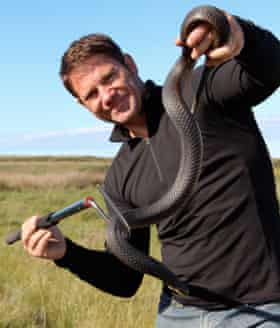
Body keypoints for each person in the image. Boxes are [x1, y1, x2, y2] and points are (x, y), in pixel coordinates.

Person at [21, 7, 280, 327]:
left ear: (130, 64)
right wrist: (67, 254)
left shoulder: (200, 92)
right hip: (178, 313)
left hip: (261, 307)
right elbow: (124, 279)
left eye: (109, 77)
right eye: (91, 94)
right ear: (83, 105)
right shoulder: (119, 177)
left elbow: (270, 68)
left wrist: (241, 34)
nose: (107, 96)